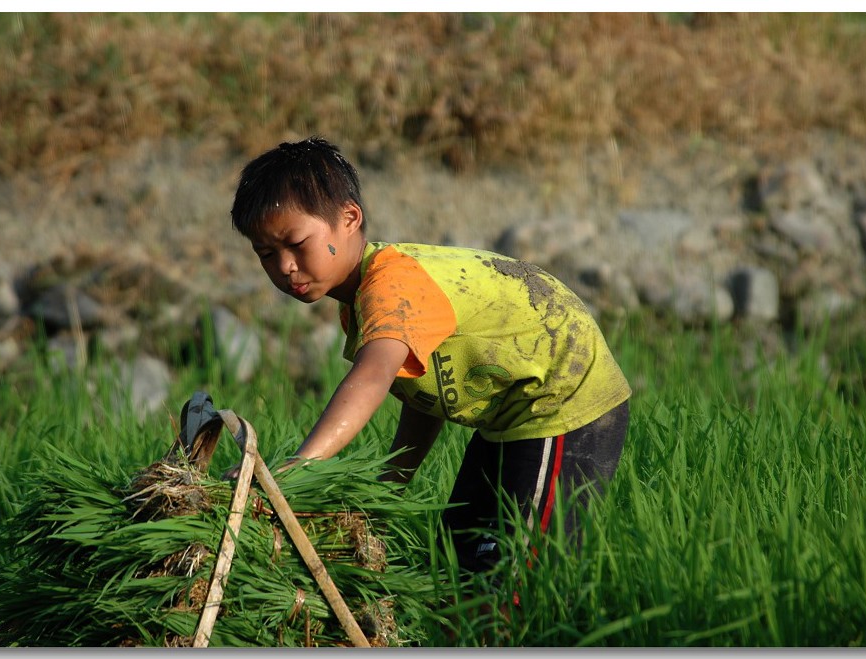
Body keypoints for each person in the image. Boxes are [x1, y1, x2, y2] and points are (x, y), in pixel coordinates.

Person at [223, 135, 631, 576]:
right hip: (510, 413)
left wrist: (296, 468)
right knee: (454, 562)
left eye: (297, 244)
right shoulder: (361, 303)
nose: (285, 265)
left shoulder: (392, 286)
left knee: (518, 573)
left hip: (561, 397)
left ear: (349, 218)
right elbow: (425, 392)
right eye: (267, 254)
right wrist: (393, 482)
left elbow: (372, 378)